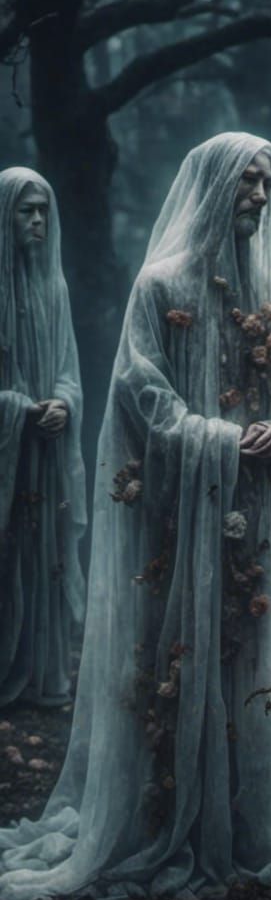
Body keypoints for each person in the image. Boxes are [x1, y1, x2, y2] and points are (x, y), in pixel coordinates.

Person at [0, 133, 271, 900]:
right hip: (179, 519)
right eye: (247, 181)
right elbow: (141, 393)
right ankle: (169, 818)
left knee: (256, 662)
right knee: (178, 658)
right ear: (215, 186)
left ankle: (246, 818)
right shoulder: (159, 287)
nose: (260, 196)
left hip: (263, 514)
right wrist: (219, 441)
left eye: (267, 182)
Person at [0, 168, 87, 707]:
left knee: (42, 554)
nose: (36, 221)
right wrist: (15, 408)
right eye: (25, 210)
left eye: (43, 212)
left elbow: (69, 368)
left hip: (43, 452)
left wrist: (63, 401)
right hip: (8, 450)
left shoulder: (54, 288)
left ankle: (38, 673)